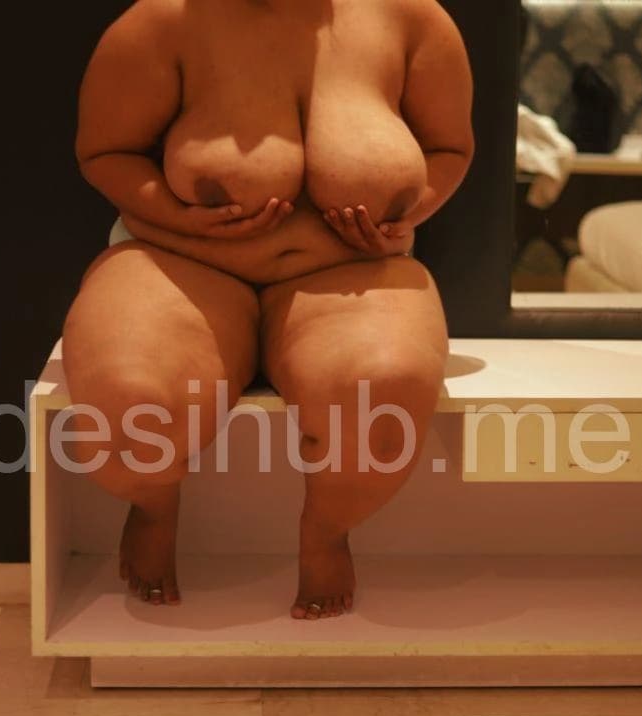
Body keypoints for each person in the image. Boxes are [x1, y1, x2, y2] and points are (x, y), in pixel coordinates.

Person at [62, 0, 474, 619]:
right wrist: (179, 218)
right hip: (179, 262)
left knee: (384, 393)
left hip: (351, 274)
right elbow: (104, 151)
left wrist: (404, 216)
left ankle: (327, 530)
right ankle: (153, 506)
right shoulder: (164, 20)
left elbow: (450, 147)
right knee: (127, 406)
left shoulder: (413, 18)